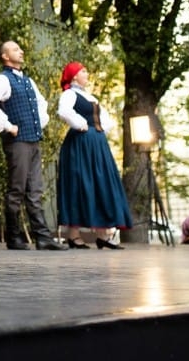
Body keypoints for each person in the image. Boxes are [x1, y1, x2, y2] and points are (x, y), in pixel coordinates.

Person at [0, 40, 68, 251]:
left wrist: (40, 123)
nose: (21, 51)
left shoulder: (27, 81)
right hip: (17, 142)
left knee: (35, 189)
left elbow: (42, 104)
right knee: (17, 189)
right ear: (5, 56)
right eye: (15, 49)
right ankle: (13, 237)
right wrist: (7, 126)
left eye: (20, 48)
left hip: (33, 139)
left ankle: (43, 238)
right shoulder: (2, 80)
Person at [55, 62, 132, 250]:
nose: (86, 74)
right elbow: (64, 111)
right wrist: (80, 123)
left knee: (101, 184)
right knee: (79, 184)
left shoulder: (91, 97)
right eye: (83, 71)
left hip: (96, 143)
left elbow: (104, 120)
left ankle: (103, 234)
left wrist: (99, 131)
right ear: (74, 77)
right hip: (80, 144)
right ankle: (74, 235)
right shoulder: (69, 94)